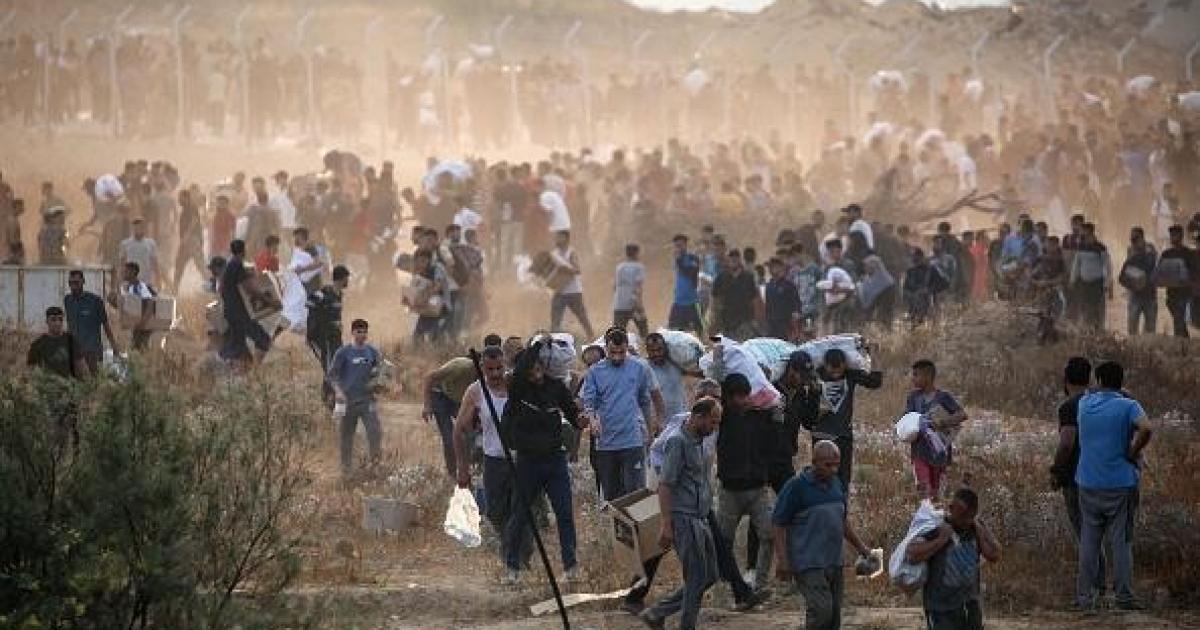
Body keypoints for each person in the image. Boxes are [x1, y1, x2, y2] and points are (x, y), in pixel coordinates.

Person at [500, 341, 587, 585]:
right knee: (520, 514)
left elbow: (572, 413)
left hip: (555, 461)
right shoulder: (518, 390)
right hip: (527, 462)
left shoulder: (555, 387)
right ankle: (512, 568)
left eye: (538, 366)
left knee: (564, 513)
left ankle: (571, 568)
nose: (535, 372)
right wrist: (538, 343)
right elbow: (522, 369)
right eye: (530, 368)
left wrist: (581, 419)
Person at [638, 397, 723, 630]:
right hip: (684, 519)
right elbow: (665, 485)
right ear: (699, 417)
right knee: (695, 578)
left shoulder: (699, 440)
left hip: (700, 517)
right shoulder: (678, 442)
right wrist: (667, 524)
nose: (715, 427)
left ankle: (657, 612)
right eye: (713, 422)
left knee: (710, 575)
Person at [1075, 361, 1152, 611]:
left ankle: (1085, 598)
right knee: (1121, 542)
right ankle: (1124, 597)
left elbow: (1090, 393)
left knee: (1089, 542)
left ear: (1098, 381)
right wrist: (1133, 451)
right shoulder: (1129, 406)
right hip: (1120, 483)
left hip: (1087, 481)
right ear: (1121, 381)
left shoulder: (1084, 404)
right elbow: (1146, 428)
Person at [772, 440, 874, 630]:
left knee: (834, 616)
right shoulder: (796, 487)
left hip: (833, 560)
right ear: (814, 462)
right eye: (828, 465)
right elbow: (778, 523)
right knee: (821, 611)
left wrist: (862, 548)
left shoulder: (836, 484)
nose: (833, 470)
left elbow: (841, 521)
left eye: (837, 465)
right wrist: (783, 560)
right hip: (807, 562)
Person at [454, 345, 531, 567]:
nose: (495, 374)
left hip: (522, 459)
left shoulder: (517, 385)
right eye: (490, 369)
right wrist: (462, 469)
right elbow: (459, 430)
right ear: (481, 367)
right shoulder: (475, 391)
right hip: (494, 459)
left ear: (505, 365)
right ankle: (512, 548)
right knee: (496, 513)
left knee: (521, 510)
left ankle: (518, 558)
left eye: (499, 368)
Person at [904, 488, 1002, 630]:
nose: (966, 521)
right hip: (941, 608)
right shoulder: (937, 526)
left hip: (970, 604)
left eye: (970, 516)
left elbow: (994, 554)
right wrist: (940, 540)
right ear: (951, 508)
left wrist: (981, 533)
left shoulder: (976, 527)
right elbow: (911, 555)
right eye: (962, 516)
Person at [714, 373, 775, 592]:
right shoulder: (722, 417)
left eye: (745, 395)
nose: (742, 400)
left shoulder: (761, 415)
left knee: (769, 535)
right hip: (730, 490)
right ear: (728, 398)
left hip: (757, 488)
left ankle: (759, 583)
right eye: (737, 396)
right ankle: (729, 585)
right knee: (723, 541)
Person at [811, 348, 882, 493]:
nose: (836, 375)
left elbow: (874, 382)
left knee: (843, 479)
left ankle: (841, 504)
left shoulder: (850, 375)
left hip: (844, 435)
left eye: (839, 371)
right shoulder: (815, 375)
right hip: (822, 435)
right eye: (832, 371)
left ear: (845, 365)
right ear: (825, 365)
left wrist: (874, 358)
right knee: (822, 477)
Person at [328, 318, 384, 479]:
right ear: (352, 332)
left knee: (374, 432)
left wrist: (380, 384)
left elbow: (381, 372)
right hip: (348, 401)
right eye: (359, 332)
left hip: (367, 400)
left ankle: (375, 466)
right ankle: (346, 471)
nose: (362, 335)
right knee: (346, 436)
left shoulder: (372, 352)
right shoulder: (343, 352)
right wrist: (338, 391)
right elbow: (332, 375)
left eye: (365, 332)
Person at [906, 360, 968, 500]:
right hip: (919, 452)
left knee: (937, 493)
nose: (912, 378)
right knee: (924, 490)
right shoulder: (913, 397)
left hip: (939, 454)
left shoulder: (943, 397)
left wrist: (944, 422)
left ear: (928, 376)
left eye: (916, 375)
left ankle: (934, 511)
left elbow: (962, 415)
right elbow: (907, 418)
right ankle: (925, 510)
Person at [423, 347, 484, 478]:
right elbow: (430, 377)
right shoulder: (460, 366)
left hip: (458, 399)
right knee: (449, 437)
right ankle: (452, 474)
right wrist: (427, 405)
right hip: (439, 395)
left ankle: (470, 470)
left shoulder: (487, 376)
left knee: (471, 434)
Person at [220, 239, 275, 364]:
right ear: (244, 251)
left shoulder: (230, 264)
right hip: (239, 313)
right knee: (263, 339)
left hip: (231, 311)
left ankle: (222, 360)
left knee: (238, 343)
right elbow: (249, 289)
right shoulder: (237, 265)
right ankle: (257, 368)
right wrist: (269, 301)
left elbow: (222, 289)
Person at [306, 265, 350, 406]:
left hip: (336, 337)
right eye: (347, 278)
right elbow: (309, 304)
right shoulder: (325, 292)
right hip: (324, 337)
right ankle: (328, 400)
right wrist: (313, 329)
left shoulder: (339, 295)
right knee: (330, 367)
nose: (348, 281)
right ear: (341, 278)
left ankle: (329, 397)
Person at [64, 269, 121, 374]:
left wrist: (114, 346)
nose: (73, 286)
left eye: (76, 283)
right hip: (75, 351)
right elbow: (69, 324)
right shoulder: (68, 300)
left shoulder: (95, 301)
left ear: (83, 281)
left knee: (94, 379)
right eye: (70, 283)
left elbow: (106, 325)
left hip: (92, 351)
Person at [548, 230, 594, 339]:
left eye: (560, 237)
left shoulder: (571, 253)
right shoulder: (553, 254)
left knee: (582, 317)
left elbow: (577, 270)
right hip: (559, 291)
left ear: (566, 239)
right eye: (556, 237)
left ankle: (591, 337)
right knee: (555, 320)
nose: (557, 240)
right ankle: (553, 341)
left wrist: (564, 269)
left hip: (573, 291)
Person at [1068, 223, 1112, 331]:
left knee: (1098, 310)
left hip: (1097, 284)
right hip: (1084, 283)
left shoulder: (1100, 248)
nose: (1082, 234)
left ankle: (1099, 330)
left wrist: (1107, 283)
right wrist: (1072, 280)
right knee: (1084, 308)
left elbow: (1108, 266)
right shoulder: (1081, 247)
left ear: (1090, 232)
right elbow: (1076, 265)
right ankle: (1086, 330)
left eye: (1084, 232)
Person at [711, 248, 760, 340]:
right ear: (728, 259)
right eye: (731, 257)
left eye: (736, 257)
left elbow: (754, 299)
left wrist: (755, 319)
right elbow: (715, 298)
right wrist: (714, 317)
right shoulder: (721, 278)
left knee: (744, 346)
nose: (733, 260)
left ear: (740, 259)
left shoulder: (748, 277)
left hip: (744, 320)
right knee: (725, 346)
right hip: (726, 321)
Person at [1156, 225, 1196, 338]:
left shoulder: (1188, 253)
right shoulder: (1166, 253)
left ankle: (1179, 340)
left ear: (1181, 236)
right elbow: (1160, 270)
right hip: (1171, 293)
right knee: (1178, 319)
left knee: (1179, 318)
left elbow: (1193, 271)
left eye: (1175, 235)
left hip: (1184, 293)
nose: (1172, 237)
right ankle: (1184, 338)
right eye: (1171, 235)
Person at [27, 306, 88, 379]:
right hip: (46, 384)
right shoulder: (37, 345)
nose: (57, 323)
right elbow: (31, 371)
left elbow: (82, 367)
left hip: (69, 384)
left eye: (60, 319)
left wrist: (87, 382)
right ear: (47, 321)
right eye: (53, 320)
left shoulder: (71, 341)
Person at [1119, 227, 1158, 336]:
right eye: (1132, 239)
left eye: (1135, 239)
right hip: (1135, 294)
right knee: (1132, 328)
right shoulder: (1131, 250)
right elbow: (1124, 275)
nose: (1133, 242)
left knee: (1150, 329)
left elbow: (1151, 264)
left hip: (1149, 294)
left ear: (1142, 238)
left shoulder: (1150, 249)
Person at [668, 234, 705, 335]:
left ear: (686, 245)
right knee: (673, 331)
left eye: (681, 245)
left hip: (692, 301)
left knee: (700, 331)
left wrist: (679, 261)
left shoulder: (693, 258)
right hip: (678, 301)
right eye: (677, 246)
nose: (679, 248)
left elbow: (690, 272)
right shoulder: (676, 260)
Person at [612, 243, 649, 338]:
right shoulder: (639, 267)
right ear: (637, 253)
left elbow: (614, 286)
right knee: (643, 330)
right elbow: (638, 286)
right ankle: (645, 345)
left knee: (617, 333)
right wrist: (639, 304)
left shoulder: (619, 267)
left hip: (619, 303)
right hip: (633, 303)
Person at [120, 261, 157, 351]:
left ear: (133, 272)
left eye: (125, 271)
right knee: (136, 347)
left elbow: (150, 303)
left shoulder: (139, 286)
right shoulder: (129, 287)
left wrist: (143, 322)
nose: (123, 273)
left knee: (140, 347)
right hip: (138, 323)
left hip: (144, 323)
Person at [764, 256, 802, 341]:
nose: (771, 269)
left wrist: (795, 317)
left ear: (780, 267)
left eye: (773, 266)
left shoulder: (788, 285)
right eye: (770, 267)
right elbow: (768, 305)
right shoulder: (769, 286)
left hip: (785, 323)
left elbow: (796, 302)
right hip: (772, 324)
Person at [118, 217, 160, 287]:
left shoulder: (151, 243)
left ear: (144, 228)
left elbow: (155, 263)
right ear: (132, 229)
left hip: (146, 281)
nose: (138, 230)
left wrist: (158, 280)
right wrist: (120, 281)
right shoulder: (125, 244)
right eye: (136, 228)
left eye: (140, 227)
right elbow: (122, 264)